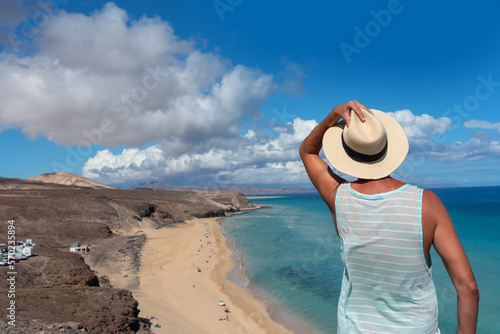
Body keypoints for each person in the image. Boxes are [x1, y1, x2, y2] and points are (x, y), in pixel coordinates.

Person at [299, 101, 479, 333]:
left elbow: (307, 151)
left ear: (347, 152)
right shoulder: (428, 204)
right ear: (386, 149)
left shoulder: (338, 197)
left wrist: (332, 117)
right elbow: (469, 287)